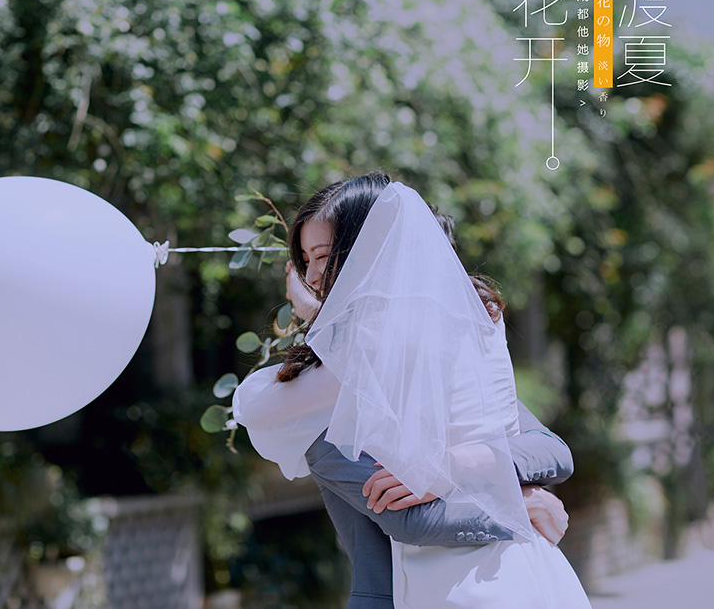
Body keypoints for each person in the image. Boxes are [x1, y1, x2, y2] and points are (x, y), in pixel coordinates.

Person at [233, 172, 591, 608]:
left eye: (323, 257)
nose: (312, 276)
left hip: (457, 589)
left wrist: (455, 467)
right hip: (534, 573)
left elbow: (254, 405)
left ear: (370, 249)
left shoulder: (375, 363)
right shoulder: (471, 325)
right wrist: (519, 500)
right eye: (305, 260)